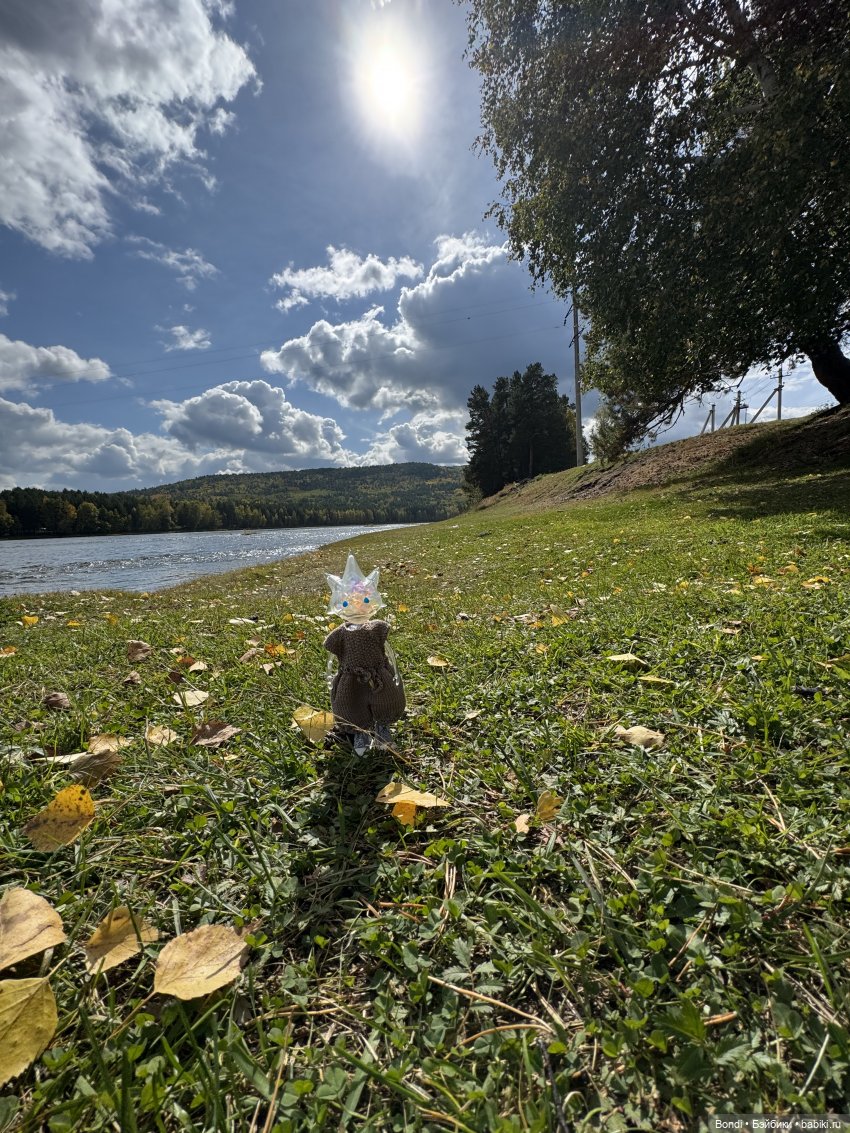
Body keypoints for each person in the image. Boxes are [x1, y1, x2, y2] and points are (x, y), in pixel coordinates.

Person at [323, 553, 405, 754]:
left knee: (386, 701)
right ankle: (360, 733)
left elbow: (388, 651)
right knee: (351, 706)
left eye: (364, 601)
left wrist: (394, 670)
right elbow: (332, 658)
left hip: (379, 674)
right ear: (339, 606)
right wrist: (330, 676)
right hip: (350, 678)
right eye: (347, 604)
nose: (356, 608)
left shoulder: (377, 628)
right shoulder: (339, 635)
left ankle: (382, 729)